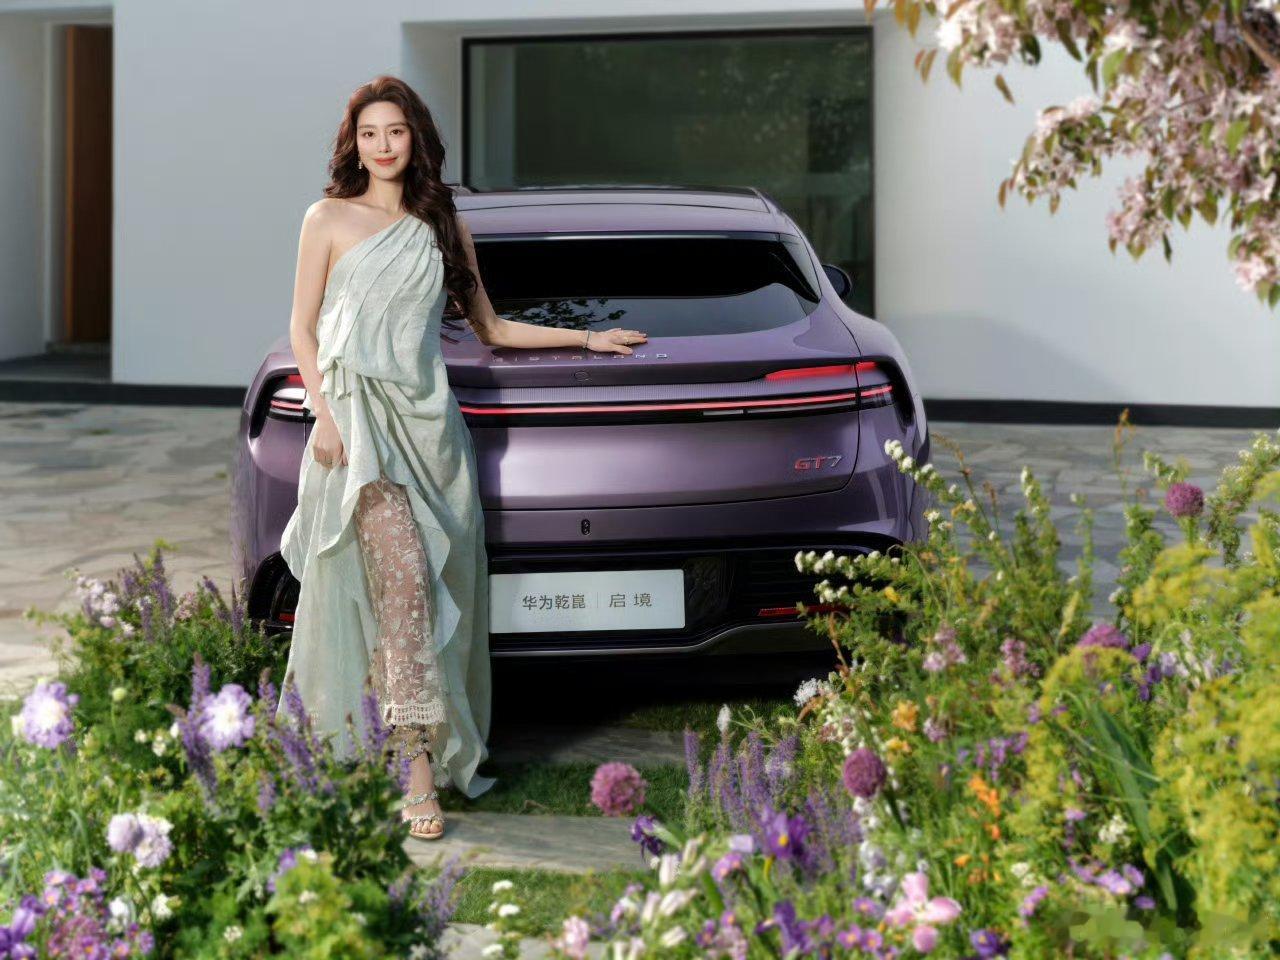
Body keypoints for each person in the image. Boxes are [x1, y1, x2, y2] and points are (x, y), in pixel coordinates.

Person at [275, 75, 647, 840]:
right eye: (369, 133)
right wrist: (327, 415)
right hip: (360, 427)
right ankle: (416, 770)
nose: (383, 145)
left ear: (416, 138)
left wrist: (588, 337)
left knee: (416, 595)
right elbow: (303, 330)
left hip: (430, 436)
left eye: (395, 131)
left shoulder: (442, 224)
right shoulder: (327, 218)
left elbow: (493, 329)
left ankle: (397, 743)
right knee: (405, 587)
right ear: (355, 144)